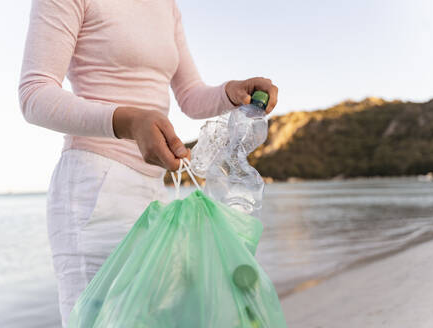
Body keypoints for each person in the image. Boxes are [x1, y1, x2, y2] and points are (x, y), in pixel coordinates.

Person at [18, 0, 278, 326]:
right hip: (95, 190)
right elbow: (34, 93)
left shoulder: (166, 6)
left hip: (154, 193)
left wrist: (230, 92)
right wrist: (129, 122)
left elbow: (189, 95)